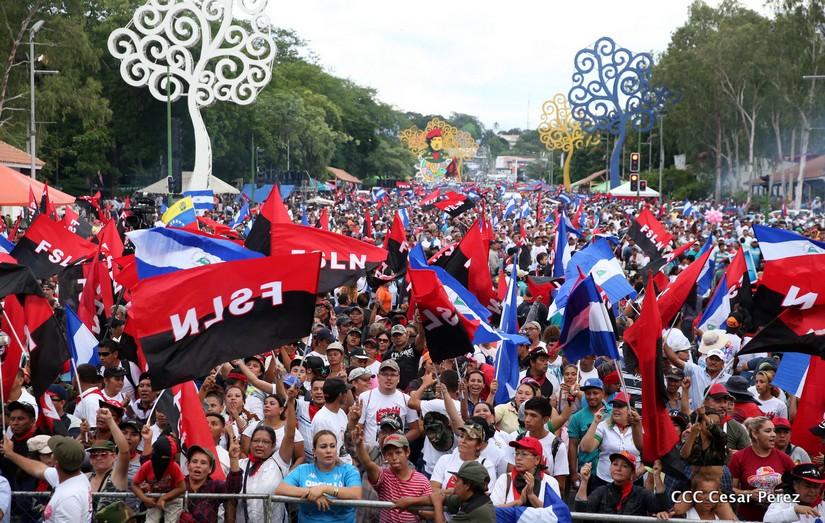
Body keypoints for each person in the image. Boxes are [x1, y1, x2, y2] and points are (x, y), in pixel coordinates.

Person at [236, 383, 299, 523]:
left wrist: (290, 401)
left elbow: (290, 434)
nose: (260, 445)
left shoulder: (279, 463)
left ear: (273, 445)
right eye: (256, 441)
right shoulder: (240, 465)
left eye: (265, 442)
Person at [276, 430, 363, 523]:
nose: (329, 451)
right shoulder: (302, 469)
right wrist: (311, 492)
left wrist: (324, 488)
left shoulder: (348, 470)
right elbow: (280, 489)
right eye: (323, 447)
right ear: (314, 452)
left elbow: (356, 493)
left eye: (332, 446)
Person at [2, 435, 92, 522]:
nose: (51, 454)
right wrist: (10, 454)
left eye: (52, 453)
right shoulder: (75, 476)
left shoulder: (69, 498)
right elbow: (38, 468)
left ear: (55, 462)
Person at [353, 429, 432, 523]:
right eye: (390, 454)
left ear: (407, 452)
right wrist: (359, 446)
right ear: (385, 456)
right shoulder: (383, 475)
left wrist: (411, 506)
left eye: (398, 452)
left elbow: (431, 513)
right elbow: (368, 464)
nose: (394, 458)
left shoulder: (422, 481)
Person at [728, 416, 795, 521]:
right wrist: (748, 494)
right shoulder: (739, 457)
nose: (773, 435)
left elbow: (796, 487)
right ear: (755, 434)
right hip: (747, 518)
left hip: (778, 518)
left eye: (774, 431)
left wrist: (784, 493)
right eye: (768, 431)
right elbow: (729, 490)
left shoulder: (784, 459)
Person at [579, 391, 643, 489]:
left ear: (631, 410)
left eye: (620, 406)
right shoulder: (603, 426)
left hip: (633, 483)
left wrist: (638, 472)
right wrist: (595, 423)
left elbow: (649, 457)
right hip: (604, 481)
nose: (616, 409)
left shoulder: (640, 428)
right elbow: (585, 448)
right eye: (614, 406)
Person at [574, 453, 667, 515]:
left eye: (624, 466)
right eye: (615, 464)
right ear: (610, 468)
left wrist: (656, 476)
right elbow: (582, 510)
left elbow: (659, 506)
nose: (618, 469)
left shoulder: (641, 493)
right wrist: (584, 481)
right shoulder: (602, 491)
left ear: (633, 473)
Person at [358, 360, 420, 447]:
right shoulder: (365, 397)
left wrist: (397, 443)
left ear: (398, 378)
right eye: (385, 374)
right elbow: (359, 427)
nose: (389, 378)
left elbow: (415, 430)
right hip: (371, 451)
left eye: (393, 375)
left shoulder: (406, 399)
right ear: (378, 377)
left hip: (395, 450)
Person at [490, 436, 561, 507]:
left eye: (524, 454)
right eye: (517, 453)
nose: (518, 458)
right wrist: (518, 502)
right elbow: (492, 510)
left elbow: (556, 511)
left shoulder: (549, 482)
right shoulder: (505, 479)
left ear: (537, 460)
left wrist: (531, 495)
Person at [130, 435, 186, 523]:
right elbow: (134, 485)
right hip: (154, 498)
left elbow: (182, 487)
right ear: (156, 455)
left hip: (173, 498)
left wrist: (164, 498)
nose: (168, 462)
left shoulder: (174, 466)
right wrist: (145, 499)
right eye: (165, 459)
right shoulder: (147, 466)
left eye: (172, 458)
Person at [184, 439, 242, 521]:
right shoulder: (179, 485)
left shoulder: (214, 487)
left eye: (203, 463)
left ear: (210, 469)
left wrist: (233, 459)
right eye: (194, 461)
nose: (198, 465)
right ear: (188, 465)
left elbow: (233, 489)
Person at [86, 409, 130, 513]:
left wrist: (110, 420)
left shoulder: (117, 475)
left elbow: (124, 451)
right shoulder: (86, 477)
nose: (98, 458)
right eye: (94, 455)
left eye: (103, 454)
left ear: (114, 456)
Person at [429, 461, 496, 523]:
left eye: (457, 480)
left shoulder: (472, 510)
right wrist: (436, 499)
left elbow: (438, 500)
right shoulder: (475, 497)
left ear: (467, 486)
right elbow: (442, 498)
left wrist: (437, 504)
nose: (455, 483)